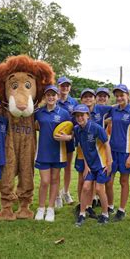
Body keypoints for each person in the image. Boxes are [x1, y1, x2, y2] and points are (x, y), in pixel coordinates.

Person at [34, 85, 72, 222]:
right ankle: (41, 208)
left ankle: (50, 209)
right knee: (44, 181)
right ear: (45, 96)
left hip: (58, 152)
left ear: (57, 96)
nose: (51, 97)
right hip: (43, 152)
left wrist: (68, 137)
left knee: (55, 180)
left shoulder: (64, 113)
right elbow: (31, 124)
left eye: (53, 95)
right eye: (48, 95)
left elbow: (73, 130)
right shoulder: (38, 112)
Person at [74, 88, 112, 218]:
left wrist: (109, 161)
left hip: (98, 153)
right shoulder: (77, 117)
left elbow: (116, 109)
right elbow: (72, 132)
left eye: (90, 96)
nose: (88, 99)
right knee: (83, 180)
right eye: (85, 97)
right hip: (84, 150)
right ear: (81, 99)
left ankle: (100, 208)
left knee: (99, 185)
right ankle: (83, 207)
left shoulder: (101, 110)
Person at [108, 84, 130, 221]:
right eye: (117, 96)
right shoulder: (114, 110)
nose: (119, 98)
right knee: (108, 181)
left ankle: (121, 210)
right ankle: (110, 205)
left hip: (126, 152)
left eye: (122, 95)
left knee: (123, 180)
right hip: (112, 150)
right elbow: (106, 121)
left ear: (128, 95)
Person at [56, 76, 79, 207]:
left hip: (69, 139)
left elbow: (77, 122)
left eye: (67, 85)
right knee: (57, 168)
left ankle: (65, 191)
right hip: (56, 140)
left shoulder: (73, 102)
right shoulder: (53, 99)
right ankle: (57, 195)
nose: (65, 88)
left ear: (69, 87)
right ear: (58, 86)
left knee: (67, 167)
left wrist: (70, 136)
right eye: (62, 85)